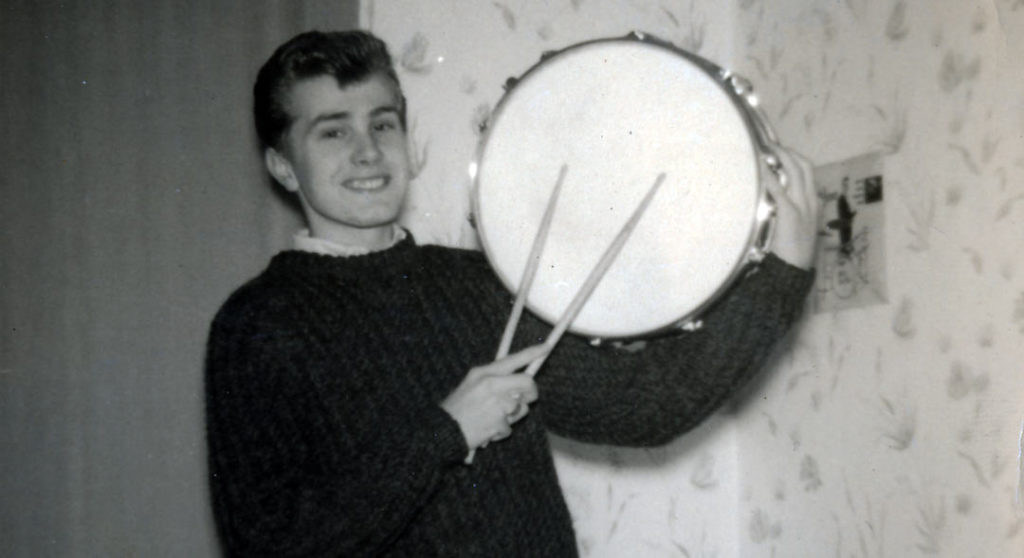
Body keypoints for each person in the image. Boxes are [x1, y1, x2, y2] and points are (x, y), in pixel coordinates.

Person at [204, 30, 820, 557]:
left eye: (383, 123)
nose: (368, 151)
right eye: (332, 133)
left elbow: (649, 405)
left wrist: (784, 269)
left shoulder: (477, 282)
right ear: (283, 166)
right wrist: (447, 432)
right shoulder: (257, 325)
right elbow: (270, 546)